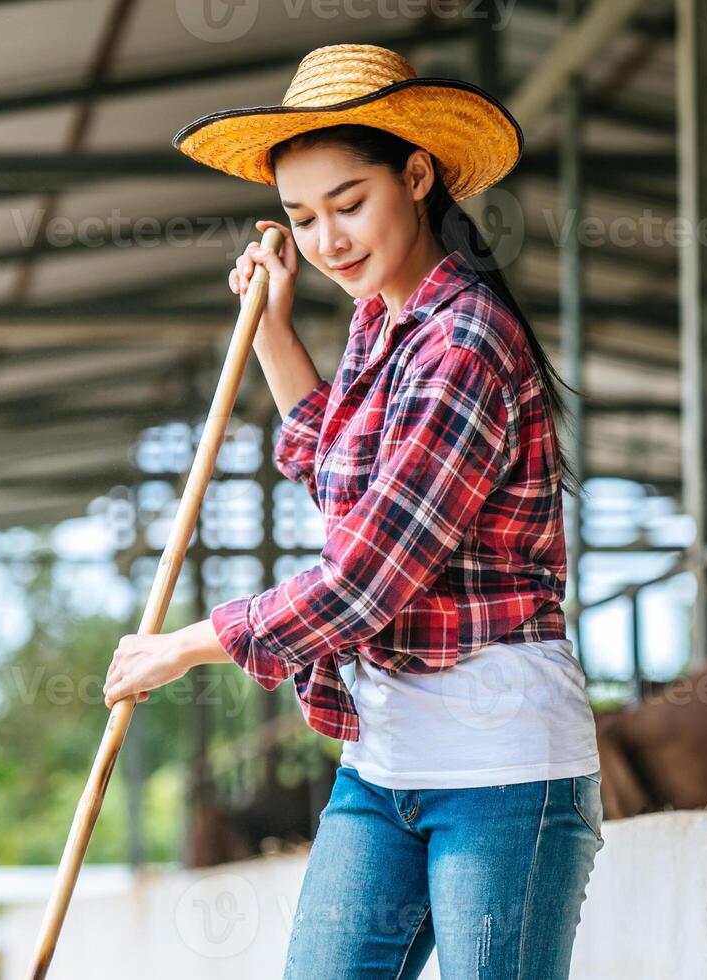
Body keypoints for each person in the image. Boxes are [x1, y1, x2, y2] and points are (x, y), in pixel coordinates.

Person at [101, 43, 602, 978]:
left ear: (417, 175)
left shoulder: (464, 343)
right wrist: (275, 327)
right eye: (302, 216)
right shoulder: (381, 321)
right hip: (381, 765)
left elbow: (366, 578)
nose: (328, 239)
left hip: (501, 770)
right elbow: (331, 466)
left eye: (349, 203)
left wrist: (185, 645)